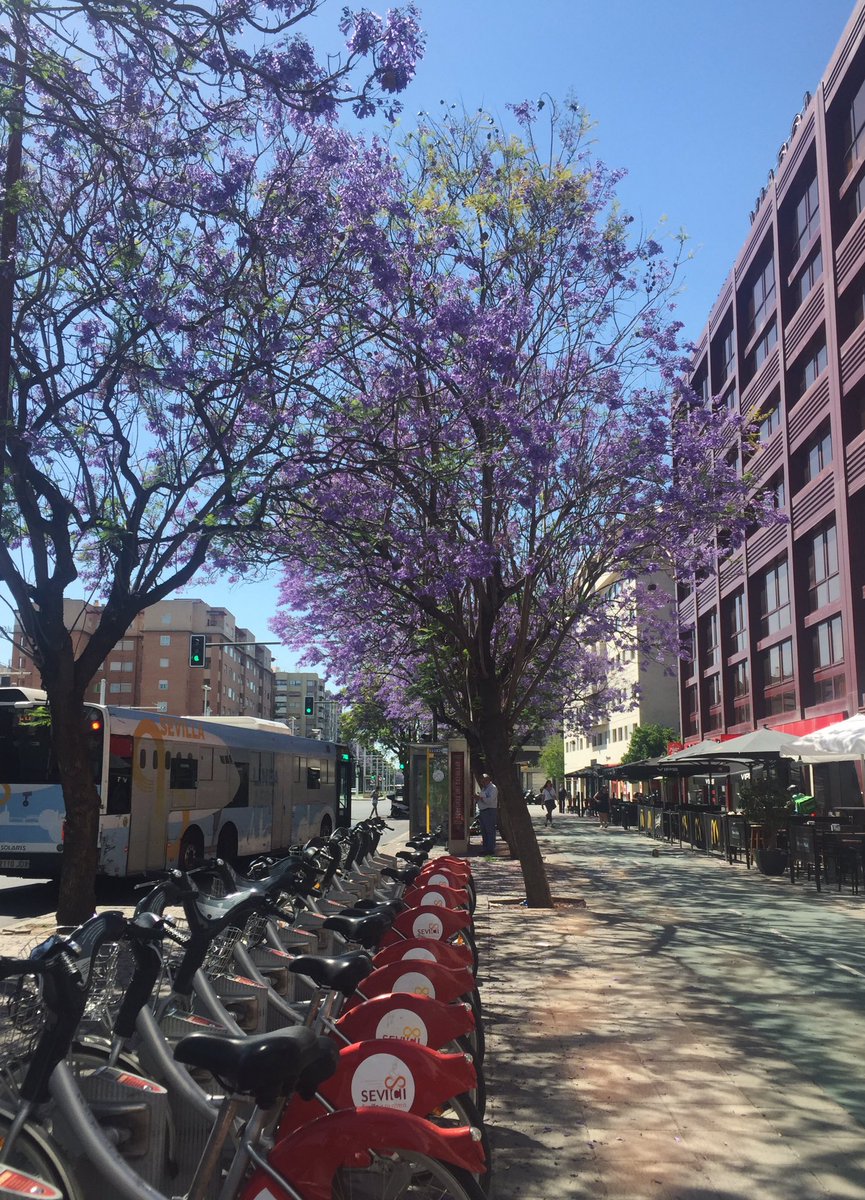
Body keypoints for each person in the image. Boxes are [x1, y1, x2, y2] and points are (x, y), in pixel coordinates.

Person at [474, 773, 498, 855]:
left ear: (488, 780)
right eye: (481, 781)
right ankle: (485, 848)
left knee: (490, 831)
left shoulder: (493, 788)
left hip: (490, 811)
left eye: (483, 780)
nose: (482, 782)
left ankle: (490, 849)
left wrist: (481, 797)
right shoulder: (485, 788)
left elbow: (489, 801)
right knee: (484, 831)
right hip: (483, 811)